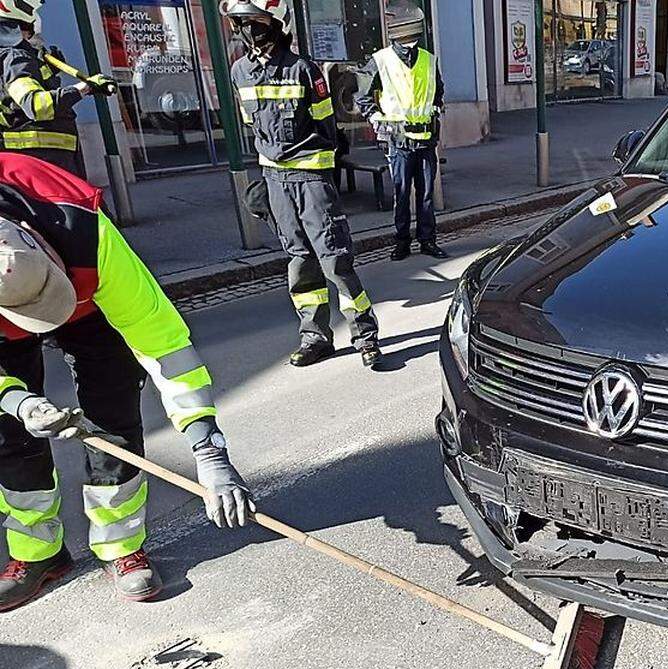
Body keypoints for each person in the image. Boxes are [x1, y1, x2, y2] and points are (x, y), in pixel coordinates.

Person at [0, 153, 255, 610]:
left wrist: (208, 448)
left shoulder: (87, 233)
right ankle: (36, 553)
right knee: (9, 438)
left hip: (90, 300)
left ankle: (120, 545)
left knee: (112, 414)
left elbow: (163, 344)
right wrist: (16, 400)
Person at [224, 0, 382, 368]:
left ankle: (365, 335)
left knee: (335, 260)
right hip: (276, 180)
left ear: (276, 24)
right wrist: (269, 178)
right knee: (299, 261)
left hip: (310, 177)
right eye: (241, 23)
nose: (248, 29)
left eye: (254, 21)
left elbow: (327, 130)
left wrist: (312, 172)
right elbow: (252, 126)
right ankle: (315, 337)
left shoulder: (304, 70)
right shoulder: (239, 72)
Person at [355, 0, 449, 262]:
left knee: (427, 195)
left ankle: (428, 240)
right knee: (402, 193)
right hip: (397, 140)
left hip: (426, 139)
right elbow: (361, 96)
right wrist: (375, 116)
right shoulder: (380, 60)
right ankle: (402, 242)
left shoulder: (429, 60)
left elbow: (438, 91)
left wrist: (437, 108)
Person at [0, 0, 115, 176]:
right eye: (30, 31)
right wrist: (83, 88)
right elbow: (36, 105)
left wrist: (48, 70)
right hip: (42, 166)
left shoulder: (17, 57)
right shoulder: (16, 58)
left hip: (41, 162)